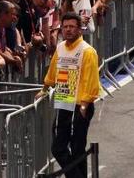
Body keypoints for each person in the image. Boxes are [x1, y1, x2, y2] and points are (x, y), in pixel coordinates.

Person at [41, 13, 99, 178]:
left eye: (72, 26)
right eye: (65, 27)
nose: (68, 30)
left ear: (79, 29)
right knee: (59, 147)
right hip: (64, 100)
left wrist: (84, 105)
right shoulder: (60, 48)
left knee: (77, 148)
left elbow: (91, 80)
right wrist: (44, 89)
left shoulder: (87, 51)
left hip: (80, 105)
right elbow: (52, 73)